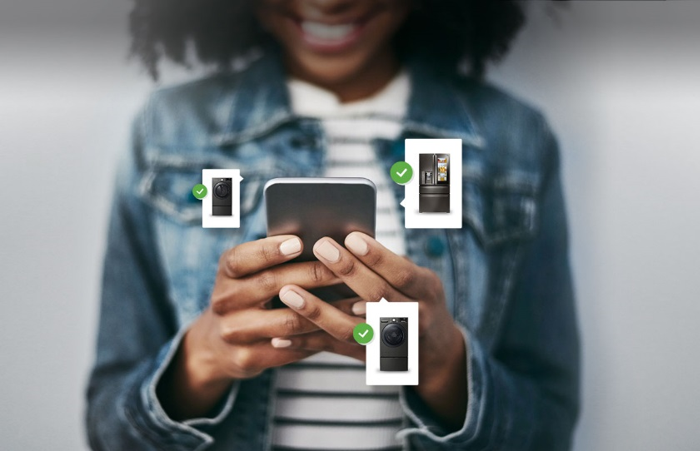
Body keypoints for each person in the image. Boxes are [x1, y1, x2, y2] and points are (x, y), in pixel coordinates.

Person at [86, 0, 580, 449]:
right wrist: (201, 361)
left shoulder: (513, 140)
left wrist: (447, 368)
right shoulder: (169, 131)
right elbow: (107, 429)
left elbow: (548, 426)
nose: (327, 2)